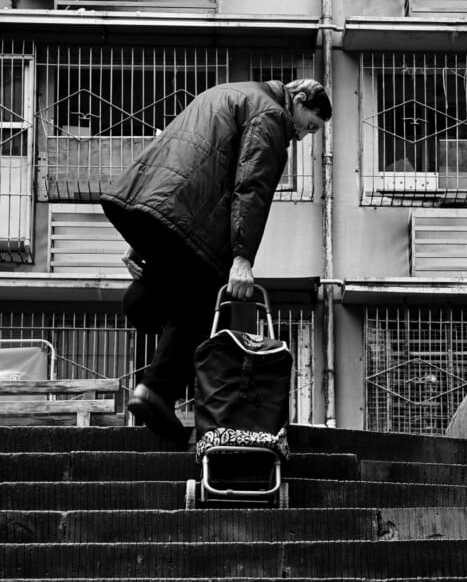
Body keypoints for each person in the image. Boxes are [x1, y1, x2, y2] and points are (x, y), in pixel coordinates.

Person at [101, 78, 332, 444]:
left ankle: (142, 302)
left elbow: (171, 148)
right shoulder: (271, 115)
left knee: (173, 295)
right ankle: (158, 393)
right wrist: (242, 257)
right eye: (311, 125)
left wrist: (142, 230)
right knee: (203, 303)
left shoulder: (224, 93)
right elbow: (251, 186)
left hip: (155, 203)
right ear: (299, 99)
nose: (304, 136)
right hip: (186, 219)